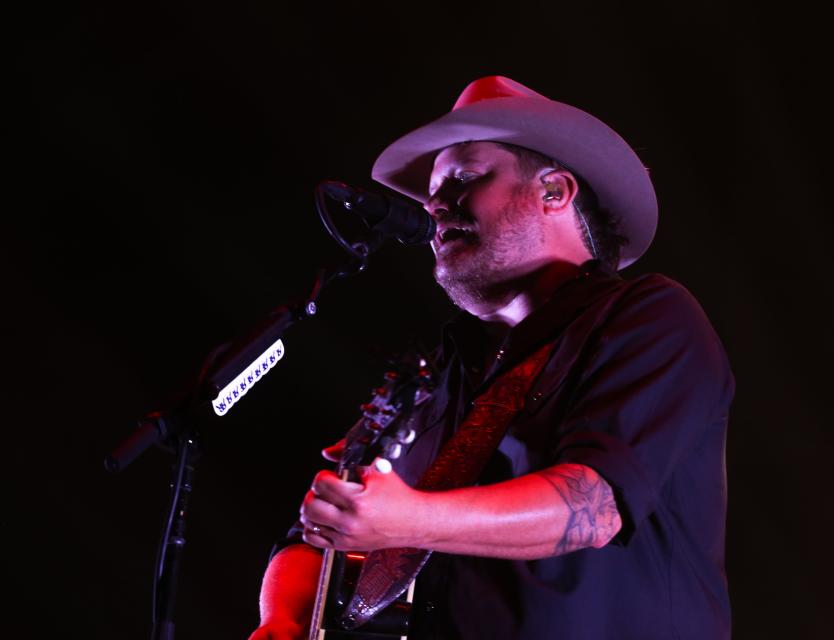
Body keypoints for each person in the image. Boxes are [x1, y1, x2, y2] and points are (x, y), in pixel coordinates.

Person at [249, 76, 734, 640]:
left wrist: (409, 520)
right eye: (431, 190)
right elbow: (315, 532)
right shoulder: (439, 375)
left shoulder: (648, 316)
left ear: (554, 191)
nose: (433, 205)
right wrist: (282, 618)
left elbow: (595, 504)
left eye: (463, 178)